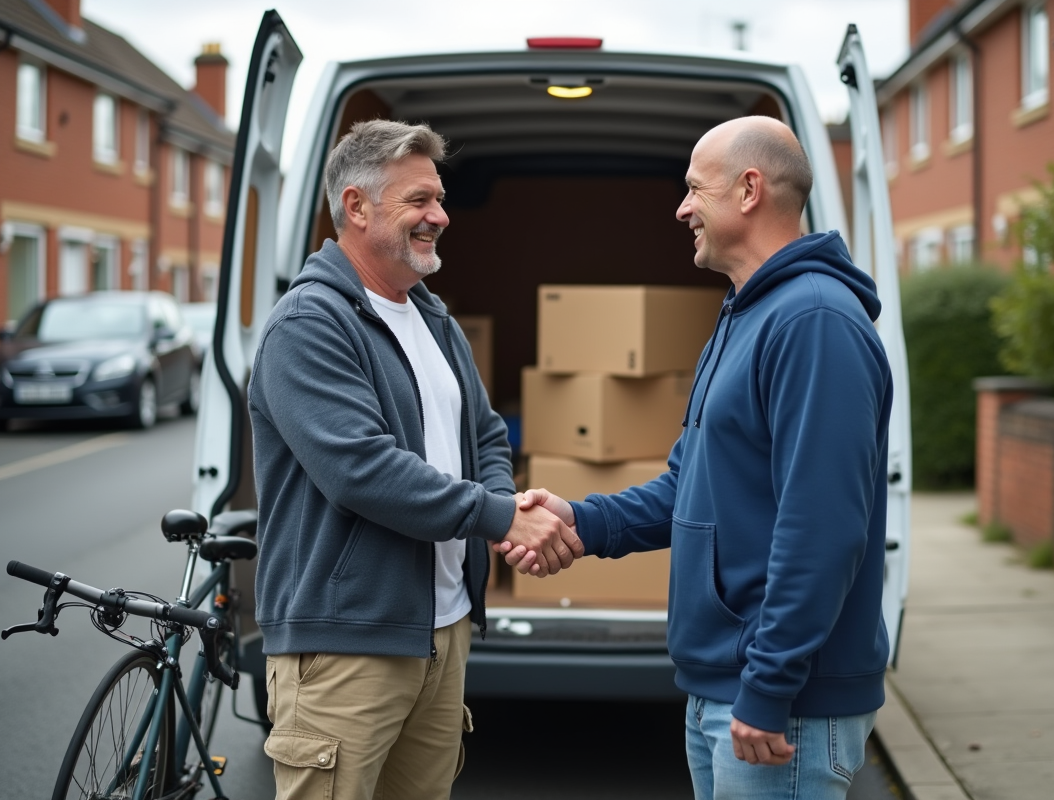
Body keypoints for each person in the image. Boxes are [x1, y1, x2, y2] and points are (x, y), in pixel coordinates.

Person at [503, 115, 893, 799]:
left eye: (693, 190)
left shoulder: (815, 323)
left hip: (782, 705)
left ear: (749, 190)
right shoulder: (747, 314)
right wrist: (581, 519)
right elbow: (692, 485)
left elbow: (824, 529)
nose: (681, 209)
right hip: (726, 688)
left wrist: (769, 685)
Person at [248, 119, 582, 800]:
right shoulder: (310, 324)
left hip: (441, 631)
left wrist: (502, 507)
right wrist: (499, 517)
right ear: (356, 207)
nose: (440, 216)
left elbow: (484, 436)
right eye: (419, 201)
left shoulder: (432, 317)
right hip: (347, 645)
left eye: (438, 199)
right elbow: (361, 470)